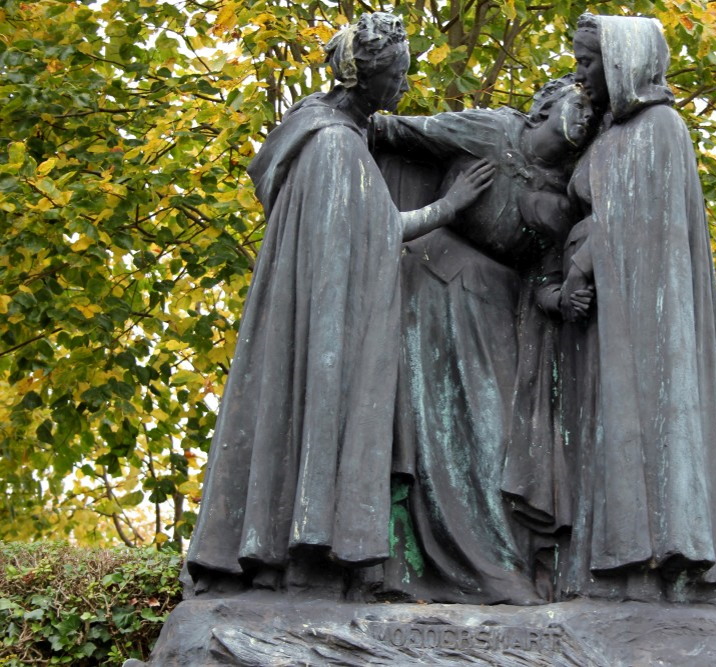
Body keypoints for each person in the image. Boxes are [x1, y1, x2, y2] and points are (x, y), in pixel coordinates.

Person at [184, 12, 493, 597]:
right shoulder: (332, 146)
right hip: (327, 328)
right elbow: (379, 232)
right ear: (364, 78)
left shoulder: (322, 131)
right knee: (320, 415)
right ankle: (312, 553)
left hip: (321, 312)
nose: (403, 85)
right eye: (396, 75)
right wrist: (452, 205)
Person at [553, 13, 716, 609]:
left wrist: (583, 262)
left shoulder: (660, 127)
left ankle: (652, 574)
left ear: (622, 62)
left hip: (645, 324)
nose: (579, 74)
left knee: (645, 434)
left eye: (588, 62)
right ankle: (606, 572)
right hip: (605, 320)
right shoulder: (611, 132)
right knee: (606, 435)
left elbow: (639, 221)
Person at [369, 77, 596, 603]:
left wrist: (562, 300)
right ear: (546, 104)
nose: (584, 116)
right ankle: (445, 568)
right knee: (432, 434)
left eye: (591, 111)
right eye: (577, 103)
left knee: (497, 440)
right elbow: (392, 133)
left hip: (497, 311)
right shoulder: (489, 129)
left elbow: (543, 280)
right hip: (429, 289)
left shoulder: (562, 198)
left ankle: (498, 563)